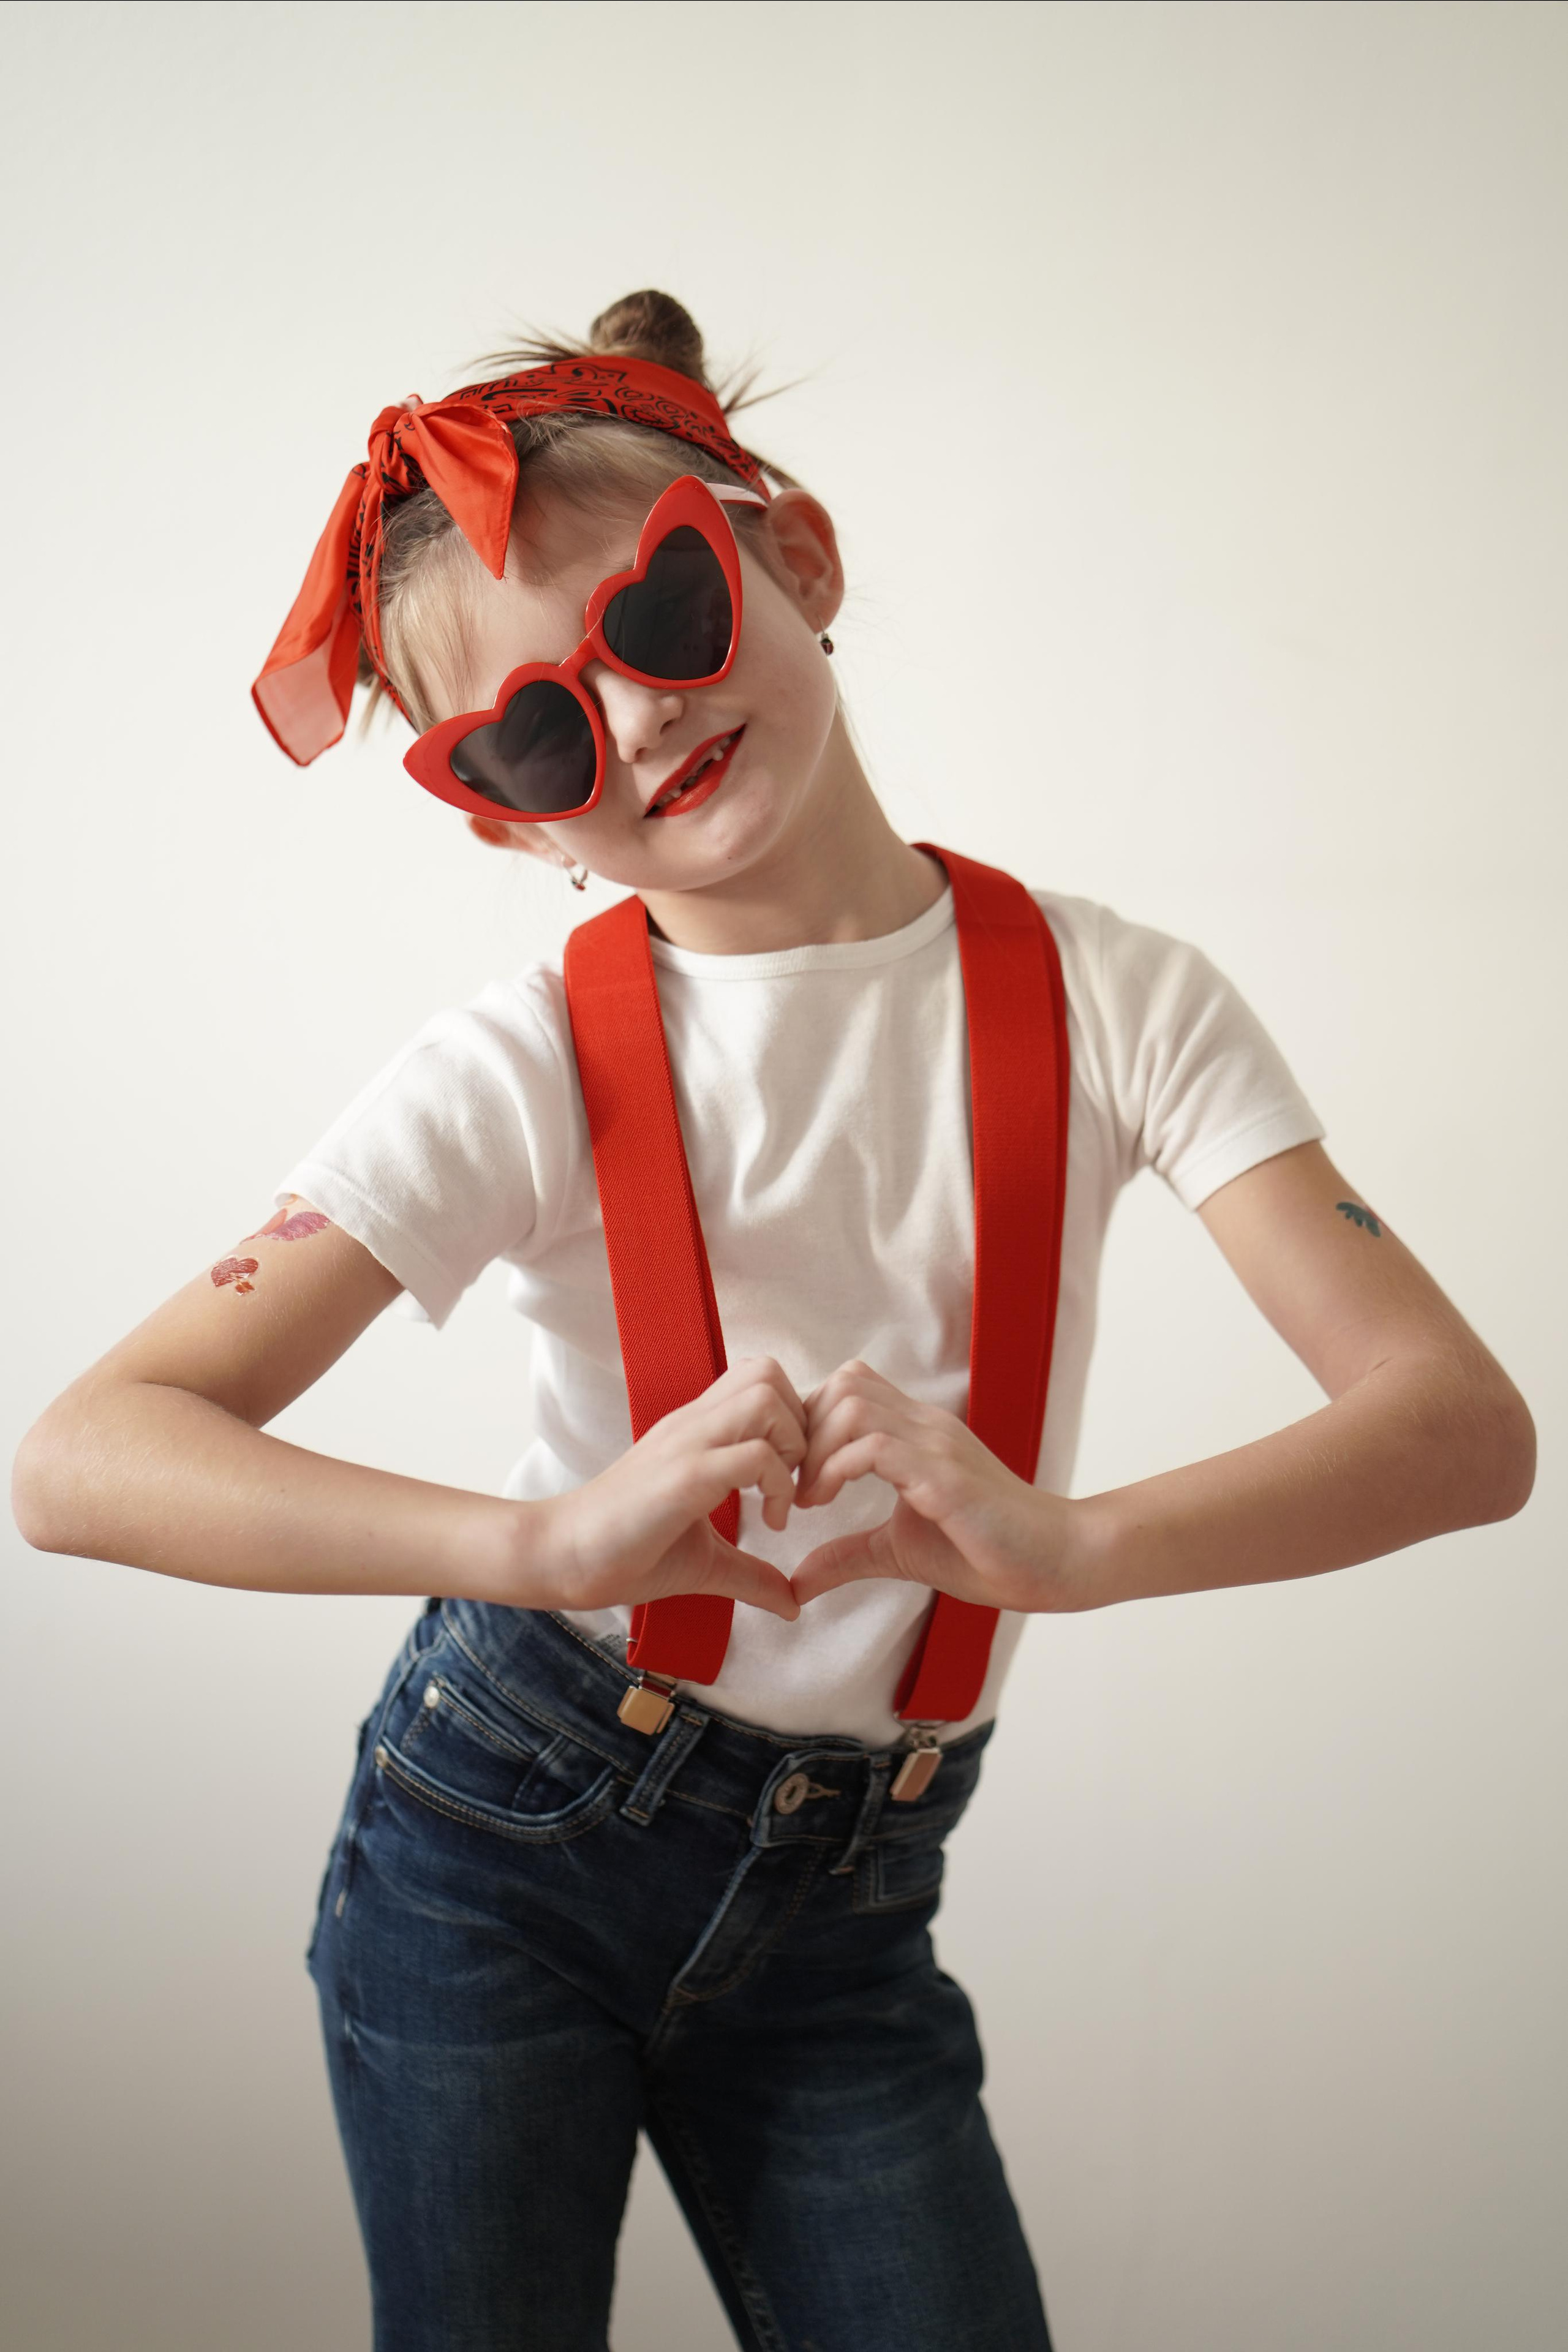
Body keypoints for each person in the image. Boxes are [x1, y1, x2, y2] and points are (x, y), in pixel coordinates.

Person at [12, 289, 1535, 2352]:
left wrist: (1070, 1552)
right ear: (508, 819)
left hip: (851, 1915)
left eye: (663, 613)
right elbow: (85, 1455)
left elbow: (1459, 1426)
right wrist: (540, 1545)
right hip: (500, 1850)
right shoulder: (526, 1064)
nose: (631, 725)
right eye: (539, 728)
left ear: (794, 553)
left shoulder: (1122, 1004)